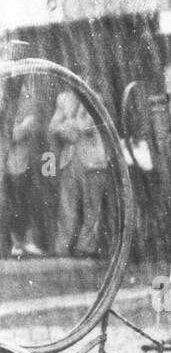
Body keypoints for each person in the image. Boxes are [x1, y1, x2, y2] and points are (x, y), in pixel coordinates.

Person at [48, 87, 109, 257]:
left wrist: (66, 126)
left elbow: (88, 126)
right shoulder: (63, 97)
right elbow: (53, 127)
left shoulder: (95, 97)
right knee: (66, 205)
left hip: (93, 160)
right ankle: (61, 248)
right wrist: (67, 128)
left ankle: (86, 248)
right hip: (70, 158)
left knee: (92, 207)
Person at [2, 78, 46, 257]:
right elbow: (12, 132)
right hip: (11, 162)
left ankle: (24, 241)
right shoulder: (8, 104)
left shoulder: (29, 103)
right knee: (12, 202)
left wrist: (17, 128)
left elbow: (20, 131)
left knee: (25, 202)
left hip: (27, 161)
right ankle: (15, 242)